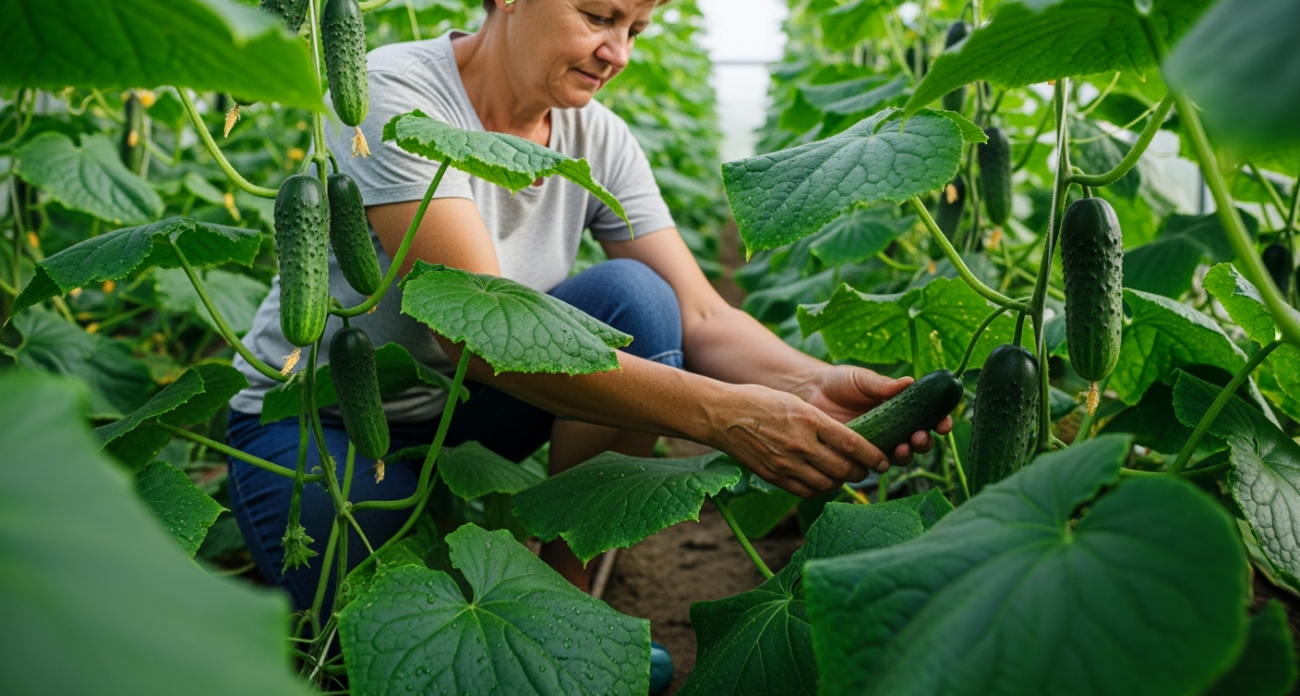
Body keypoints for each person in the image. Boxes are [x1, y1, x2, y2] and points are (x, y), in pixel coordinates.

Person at [225, 0, 953, 685]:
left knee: (637, 298)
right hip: (322, 423)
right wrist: (724, 415)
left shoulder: (596, 134)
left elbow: (701, 316)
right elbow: (472, 339)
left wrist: (809, 387)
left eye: (637, 27)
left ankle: (566, 604)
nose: (619, 52)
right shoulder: (386, 92)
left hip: (473, 414)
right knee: (370, 640)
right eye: (599, 16)